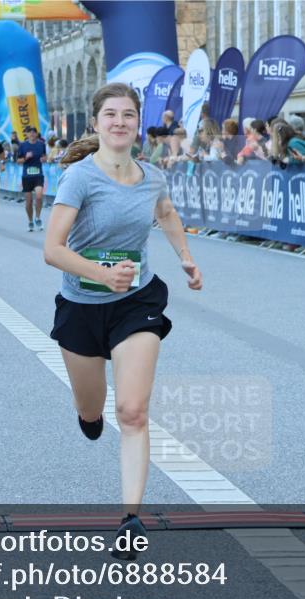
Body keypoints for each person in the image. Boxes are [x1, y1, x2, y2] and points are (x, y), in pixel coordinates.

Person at [43, 83, 202, 559]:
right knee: (93, 409)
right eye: (110, 114)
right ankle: (87, 416)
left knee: (132, 412)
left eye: (127, 114)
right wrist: (101, 274)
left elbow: (167, 212)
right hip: (81, 304)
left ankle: (131, 518)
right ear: (95, 123)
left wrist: (186, 256)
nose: (119, 122)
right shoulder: (79, 179)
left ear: (137, 124)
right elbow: (52, 250)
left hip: (137, 301)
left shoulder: (152, 177)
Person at [17, 125, 48, 231]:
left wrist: (44, 159)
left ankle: (38, 217)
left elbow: (45, 156)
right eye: (29, 132)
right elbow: (18, 161)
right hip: (27, 176)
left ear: (36, 134)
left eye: (33, 132)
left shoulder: (41, 145)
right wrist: (26, 158)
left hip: (38, 175)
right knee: (29, 202)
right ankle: (30, 220)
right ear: (26, 134)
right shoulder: (23, 145)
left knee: (39, 197)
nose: (32, 134)